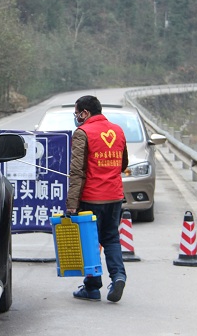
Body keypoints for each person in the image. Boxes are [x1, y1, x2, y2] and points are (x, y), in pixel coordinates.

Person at [66, 95, 128, 303]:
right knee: (111, 238)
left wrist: (72, 205)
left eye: (77, 114)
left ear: (85, 113)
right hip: (114, 196)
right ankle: (118, 276)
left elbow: (77, 172)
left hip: (91, 198)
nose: (76, 118)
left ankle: (92, 287)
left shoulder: (82, 133)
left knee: (90, 243)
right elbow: (123, 164)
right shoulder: (117, 131)